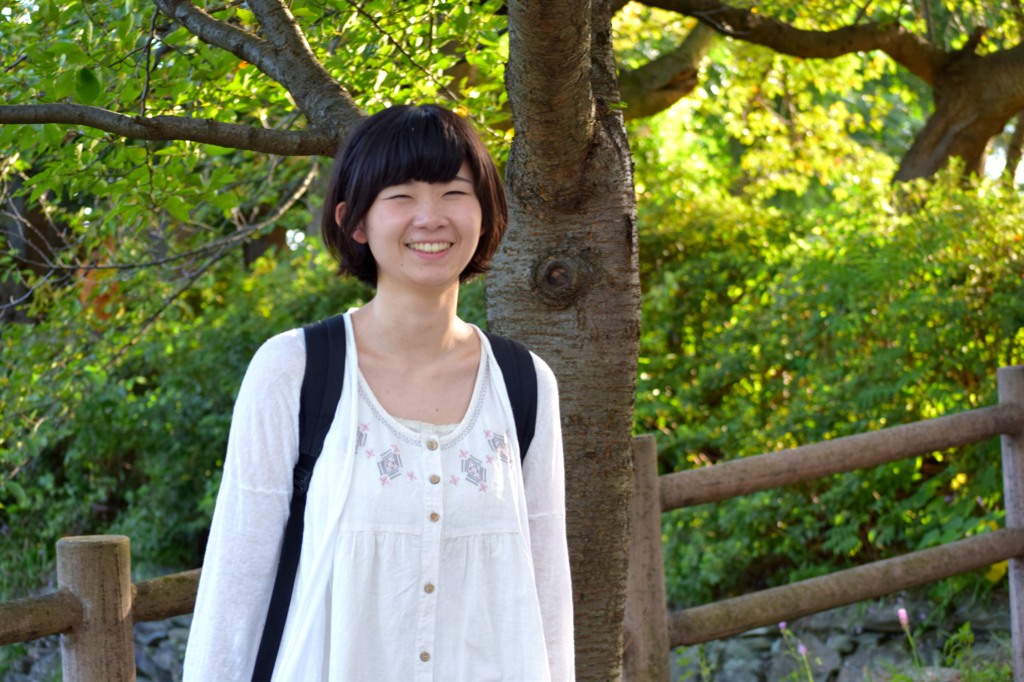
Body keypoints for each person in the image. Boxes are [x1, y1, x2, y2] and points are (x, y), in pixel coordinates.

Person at [182, 104, 574, 681]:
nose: (430, 217)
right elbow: (235, 586)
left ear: (487, 213)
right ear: (355, 221)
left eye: (453, 193)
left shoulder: (525, 383)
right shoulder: (294, 371)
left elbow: (547, 589)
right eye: (401, 196)